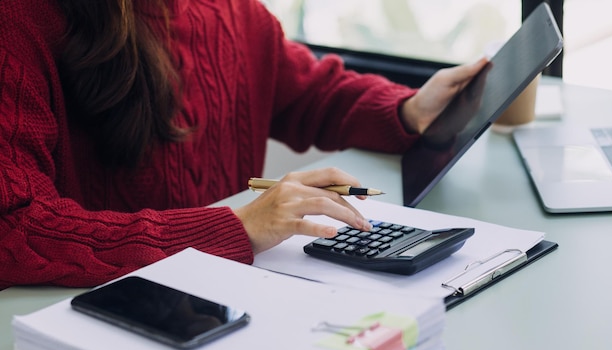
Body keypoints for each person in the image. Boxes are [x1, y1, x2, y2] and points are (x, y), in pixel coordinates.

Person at [0, 0, 488, 289]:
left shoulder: (236, 11)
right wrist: (232, 228)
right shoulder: (19, 23)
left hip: (230, 290)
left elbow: (306, 91)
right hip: (101, 316)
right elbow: (14, 227)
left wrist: (406, 111)